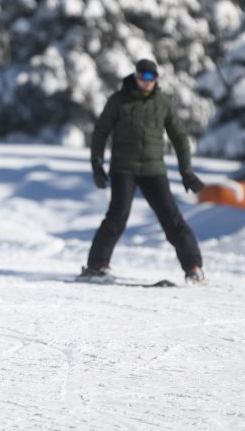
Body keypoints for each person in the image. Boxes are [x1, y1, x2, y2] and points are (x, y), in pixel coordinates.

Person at [85, 58, 207, 284]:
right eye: (143, 77)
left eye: (152, 77)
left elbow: (180, 138)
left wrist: (186, 172)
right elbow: (101, 131)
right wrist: (97, 164)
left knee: (172, 218)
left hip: (154, 169)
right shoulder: (119, 101)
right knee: (117, 217)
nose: (147, 82)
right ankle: (96, 265)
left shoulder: (162, 103)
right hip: (123, 168)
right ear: (136, 76)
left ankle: (194, 267)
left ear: (156, 79)